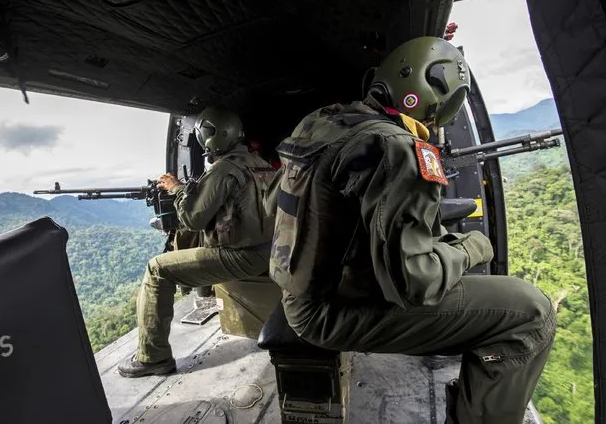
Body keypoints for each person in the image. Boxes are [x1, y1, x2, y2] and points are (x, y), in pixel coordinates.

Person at [265, 36, 556, 424]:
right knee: (530, 311)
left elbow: (286, 207)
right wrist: (474, 247)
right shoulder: (399, 148)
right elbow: (417, 284)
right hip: (329, 313)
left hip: (300, 296)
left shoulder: (321, 122)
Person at [119, 106, 276, 378]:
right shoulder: (258, 162)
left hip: (244, 256)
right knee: (201, 244)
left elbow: (192, 219)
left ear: (209, 135)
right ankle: (203, 295)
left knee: (157, 269)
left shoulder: (224, 169)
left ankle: (153, 357)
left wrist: (177, 189)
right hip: (268, 250)